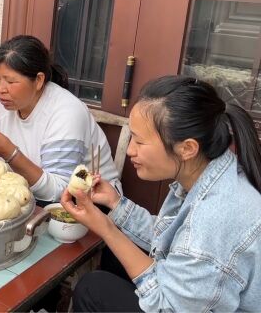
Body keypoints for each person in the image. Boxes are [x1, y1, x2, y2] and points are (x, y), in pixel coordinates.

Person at [66, 76, 261, 311]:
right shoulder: (211, 170)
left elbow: (167, 306)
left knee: (92, 289)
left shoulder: (214, 220)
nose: (129, 150)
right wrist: (116, 204)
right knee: (111, 259)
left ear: (187, 148)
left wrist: (106, 228)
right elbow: (170, 238)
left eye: (139, 141)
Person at [0, 35, 121, 204]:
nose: (0, 89)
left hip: (88, 204)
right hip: (22, 197)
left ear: (38, 80)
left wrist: (10, 153)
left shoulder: (66, 112)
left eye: (11, 81)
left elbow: (59, 191)